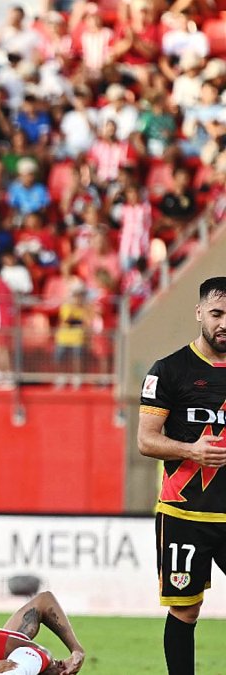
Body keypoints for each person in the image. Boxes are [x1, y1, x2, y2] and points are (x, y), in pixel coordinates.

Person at [137, 277, 226, 675]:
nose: (224, 323)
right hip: (184, 514)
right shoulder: (169, 371)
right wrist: (192, 450)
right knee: (186, 610)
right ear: (199, 313)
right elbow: (146, 440)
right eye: (217, 313)